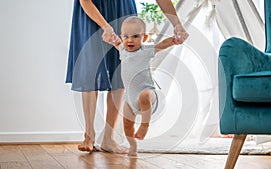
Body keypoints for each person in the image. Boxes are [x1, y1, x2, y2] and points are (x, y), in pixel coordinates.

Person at [66, 0, 189, 153]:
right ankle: (89, 134)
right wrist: (105, 26)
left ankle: (108, 138)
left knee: (120, 69)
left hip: (123, 8)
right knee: (90, 70)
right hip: (91, 11)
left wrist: (177, 24)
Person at [113, 16, 176, 156]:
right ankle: (132, 145)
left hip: (148, 92)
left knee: (143, 96)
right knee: (127, 124)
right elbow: (115, 42)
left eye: (135, 36)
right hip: (130, 98)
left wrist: (173, 40)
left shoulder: (145, 51)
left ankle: (144, 125)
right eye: (126, 36)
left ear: (144, 37)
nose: (130, 40)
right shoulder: (122, 50)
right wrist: (109, 38)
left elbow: (162, 45)